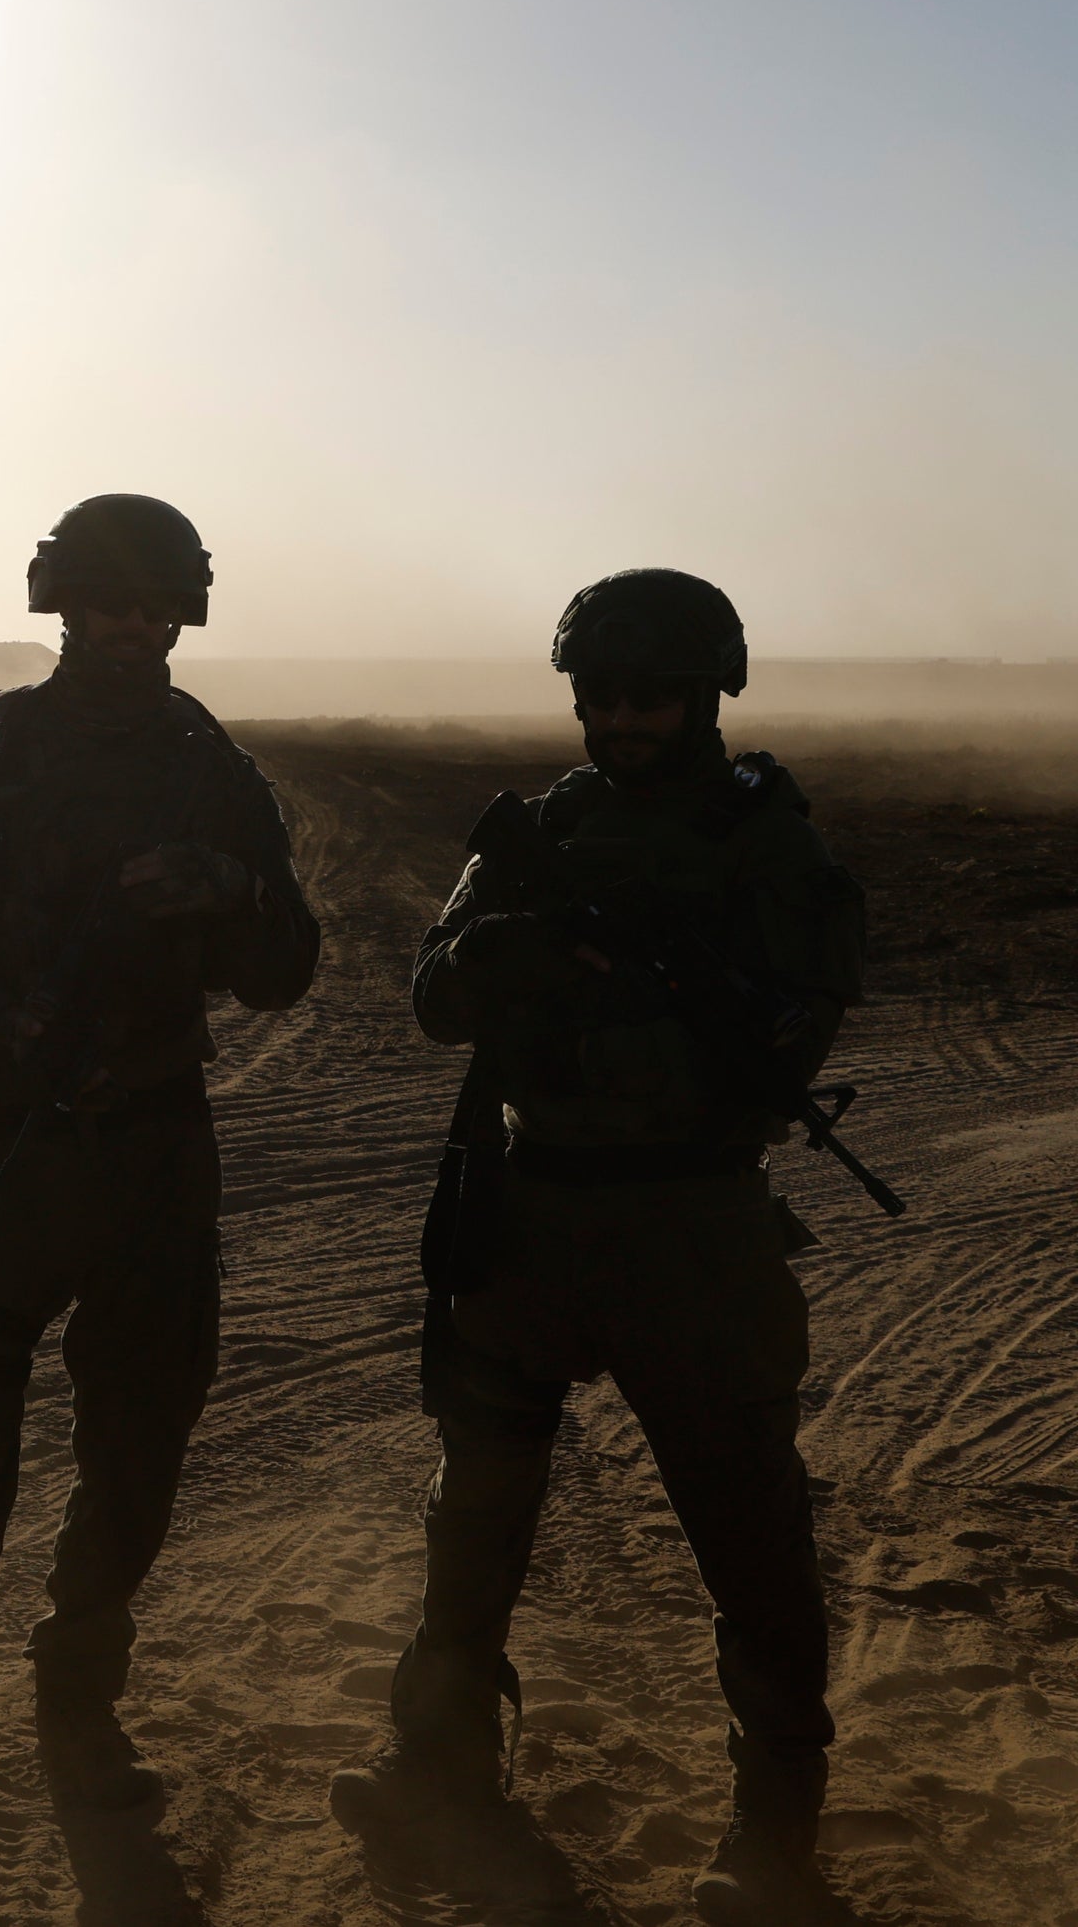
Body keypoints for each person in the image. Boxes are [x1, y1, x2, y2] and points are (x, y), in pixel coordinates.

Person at [330, 571, 866, 1927]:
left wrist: (646, 1000)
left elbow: (795, 1032)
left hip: (691, 1227)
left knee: (746, 1525)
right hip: (535, 1222)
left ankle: (776, 1821)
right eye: (604, 697)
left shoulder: (764, 844)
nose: (624, 721)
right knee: (477, 1517)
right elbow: (434, 996)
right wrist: (512, 952)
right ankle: (437, 1759)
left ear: (705, 697)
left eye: (652, 696)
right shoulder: (537, 836)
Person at [0, 495, 320, 1842]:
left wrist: (225, 888)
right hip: (18, 1154)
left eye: (157, 603)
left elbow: (285, 969)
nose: (133, 624)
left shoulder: (210, 772)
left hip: (159, 1153)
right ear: (63, 604)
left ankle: (77, 1697)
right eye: (110, 600)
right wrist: (1, 1010)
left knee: (140, 1450)